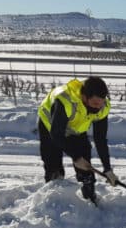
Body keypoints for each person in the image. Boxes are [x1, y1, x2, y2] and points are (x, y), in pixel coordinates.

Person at [37, 76, 118, 204]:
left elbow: (100, 139)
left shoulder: (102, 106)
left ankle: (90, 196)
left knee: (85, 163)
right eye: (95, 104)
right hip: (51, 126)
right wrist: (76, 157)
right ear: (84, 97)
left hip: (75, 128)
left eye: (101, 103)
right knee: (53, 163)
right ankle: (53, 200)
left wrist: (107, 169)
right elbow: (57, 134)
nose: (98, 108)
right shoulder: (65, 101)